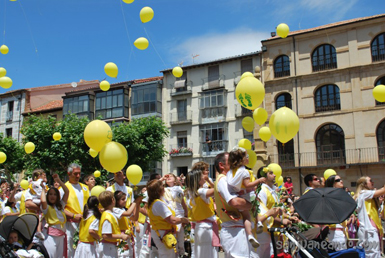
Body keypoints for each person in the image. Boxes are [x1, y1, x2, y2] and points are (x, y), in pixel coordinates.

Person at [213, 152, 259, 258]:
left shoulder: (229, 179)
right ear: (221, 165)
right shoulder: (222, 179)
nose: (235, 163)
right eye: (231, 161)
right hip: (233, 230)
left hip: (236, 228)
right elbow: (235, 202)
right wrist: (252, 205)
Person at [226, 147, 265, 248]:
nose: (248, 158)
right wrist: (259, 181)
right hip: (247, 195)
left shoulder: (231, 171)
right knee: (256, 207)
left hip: (238, 195)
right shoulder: (244, 172)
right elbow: (247, 185)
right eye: (246, 156)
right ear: (241, 160)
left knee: (246, 216)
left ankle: (250, 235)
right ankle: (259, 222)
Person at [146, 179, 189, 258]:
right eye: (162, 186)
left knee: (167, 254)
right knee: (167, 255)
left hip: (162, 233)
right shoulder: (158, 204)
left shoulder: (155, 202)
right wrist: (184, 220)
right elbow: (172, 220)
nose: (164, 187)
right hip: (163, 233)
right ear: (159, 190)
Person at [257, 166, 291, 258]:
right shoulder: (262, 191)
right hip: (267, 233)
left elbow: (277, 210)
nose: (275, 175)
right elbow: (263, 212)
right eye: (271, 173)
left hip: (276, 232)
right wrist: (281, 221)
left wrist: (289, 217)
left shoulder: (272, 191)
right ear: (264, 177)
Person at [186, 169, 219, 258]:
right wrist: (219, 178)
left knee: (202, 253)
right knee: (209, 254)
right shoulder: (200, 192)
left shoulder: (192, 192)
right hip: (206, 227)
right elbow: (217, 190)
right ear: (197, 180)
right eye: (201, 176)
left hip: (201, 226)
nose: (203, 177)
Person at [60, 163, 90, 258]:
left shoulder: (85, 188)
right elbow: (59, 208)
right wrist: (73, 216)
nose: (78, 176)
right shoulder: (63, 189)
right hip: (70, 224)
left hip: (84, 223)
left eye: (79, 173)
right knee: (71, 249)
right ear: (69, 174)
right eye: (75, 174)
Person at [354, 176, 385, 258]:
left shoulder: (365, 195)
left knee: (375, 253)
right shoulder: (363, 194)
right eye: (370, 181)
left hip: (370, 230)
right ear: (364, 184)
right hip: (368, 231)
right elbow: (383, 191)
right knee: (372, 254)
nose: (373, 183)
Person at [41, 174, 69, 258]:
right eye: (50, 194)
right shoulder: (46, 208)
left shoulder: (60, 206)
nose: (52, 196)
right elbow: (43, 200)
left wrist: (59, 180)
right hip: (51, 237)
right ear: (47, 196)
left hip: (61, 236)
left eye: (54, 194)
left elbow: (67, 191)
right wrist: (43, 188)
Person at [98, 191, 129, 258]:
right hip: (108, 248)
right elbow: (105, 236)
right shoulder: (108, 216)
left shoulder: (109, 214)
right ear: (113, 200)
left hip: (110, 247)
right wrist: (121, 236)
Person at [164, 173, 188, 256]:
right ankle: (176, 253)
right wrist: (162, 179)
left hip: (179, 215)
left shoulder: (179, 189)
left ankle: (181, 252)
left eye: (171, 176)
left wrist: (186, 214)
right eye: (167, 176)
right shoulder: (163, 189)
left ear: (175, 180)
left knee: (179, 236)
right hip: (170, 215)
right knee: (174, 236)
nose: (168, 177)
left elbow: (183, 203)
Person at [113, 190, 143, 258]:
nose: (125, 200)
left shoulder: (124, 209)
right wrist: (135, 201)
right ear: (117, 201)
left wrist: (137, 205)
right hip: (120, 237)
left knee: (129, 255)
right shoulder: (115, 210)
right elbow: (128, 213)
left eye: (125, 199)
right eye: (122, 199)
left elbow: (135, 218)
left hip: (127, 236)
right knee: (122, 255)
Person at [325, 175, 348, 251]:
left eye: (341, 179)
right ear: (333, 184)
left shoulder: (340, 195)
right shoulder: (330, 197)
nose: (341, 181)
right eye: (338, 180)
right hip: (335, 232)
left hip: (341, 231)